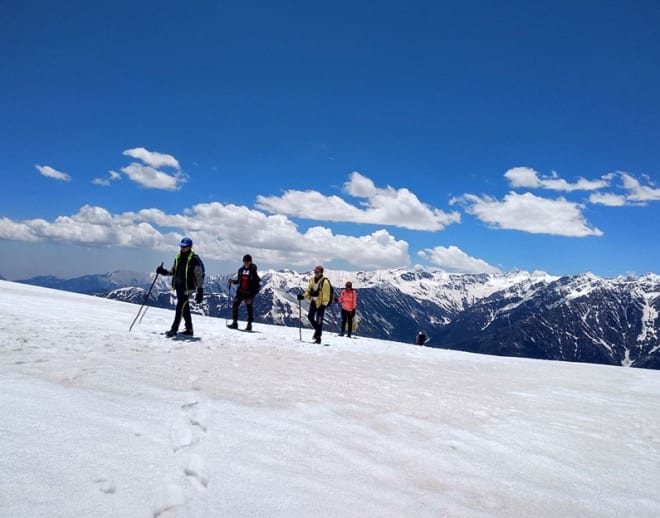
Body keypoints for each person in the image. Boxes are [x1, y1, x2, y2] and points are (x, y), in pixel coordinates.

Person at [156, 237, 204, 337]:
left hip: (188, 288)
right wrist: (163, 272)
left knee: (179, 307)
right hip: (179, 287)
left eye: (184, 247)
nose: (182, 248)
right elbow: (174, 272)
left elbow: (199, 276)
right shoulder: (178, 257)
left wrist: (200, 290)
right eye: (181, 246)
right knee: (184, 308)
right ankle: (189, 329)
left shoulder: (194, 259)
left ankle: (174, 329)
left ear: (190, 247)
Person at [297, 265, 332, 344]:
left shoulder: (325, 282)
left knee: (319, 321)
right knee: (310, 317)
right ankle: (318, 331)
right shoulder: (312, 280)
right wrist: (303, 296)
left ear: (321, 273)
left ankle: (318, 338)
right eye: (315, 272)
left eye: (317, 272)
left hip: (321, 304)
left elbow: (326, 295)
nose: (315, 273)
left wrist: (323, 304)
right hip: (313, 302)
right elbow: (309, 291)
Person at [227, 254, 261, 331]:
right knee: (235, 305)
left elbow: (257, 285)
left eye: (247, 261)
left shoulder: (253, 271)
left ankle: (249, 324)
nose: (246, 263)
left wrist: (252, 296)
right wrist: (232, 281)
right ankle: (234, 323)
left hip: (249, 293)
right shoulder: (240, 270)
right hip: (241, 292)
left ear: (250, 262)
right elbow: (239, 281)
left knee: (249, 309)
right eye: (245, 261)